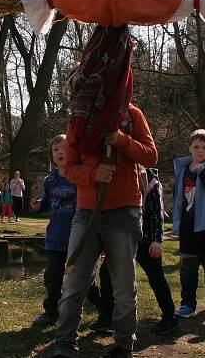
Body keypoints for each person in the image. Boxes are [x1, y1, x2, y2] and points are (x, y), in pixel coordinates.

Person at [53, 101, 158, 358]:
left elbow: (150, 156)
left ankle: (123, 344)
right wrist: (94, 174)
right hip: (87, 212)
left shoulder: (131, 115)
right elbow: (69, 168)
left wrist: (122, 140)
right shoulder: (78, 121)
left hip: (124, 210)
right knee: (74, 281)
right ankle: (65, 344)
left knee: (123, 283)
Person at [32, 134, 105, 328]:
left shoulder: (79, 177)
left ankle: (105, 310)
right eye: (55, 150)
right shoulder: (50, 181)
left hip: (79, 239)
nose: (60, 153)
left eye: (64, 148)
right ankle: (51, 312)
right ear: (51, 156)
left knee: (84, 281)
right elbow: (47, 201)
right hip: (55, 237)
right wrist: (39, 204)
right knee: (53, 278)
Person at [98, 167, 178, 335]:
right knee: (106, 274)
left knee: (156, 277)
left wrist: (156, 240)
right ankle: (107, 317)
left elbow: (157, 213)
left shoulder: (151, 181)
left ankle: (170, 317)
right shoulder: (121, 176)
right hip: (122, 236)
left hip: (146, 239)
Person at [172, 129, 205, 318]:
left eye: (204, 147)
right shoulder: (182, 169)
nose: (200, 151)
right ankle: (187, 304)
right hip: (188, 225)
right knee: (188, 267)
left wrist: (201, 169)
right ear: (190, 148)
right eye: (196, 147)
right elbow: (179, 197)